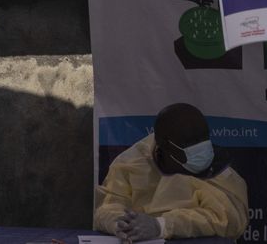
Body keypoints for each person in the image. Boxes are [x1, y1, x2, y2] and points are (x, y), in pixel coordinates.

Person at [94, 103, 248, 241]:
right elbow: (107, 207)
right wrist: (121, 223)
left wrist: (162, 225)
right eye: (189, 142)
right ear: (164, 145)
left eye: (203, 138)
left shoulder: (219, 170)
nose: (201, 149)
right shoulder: (132, 163)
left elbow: (229, 220)